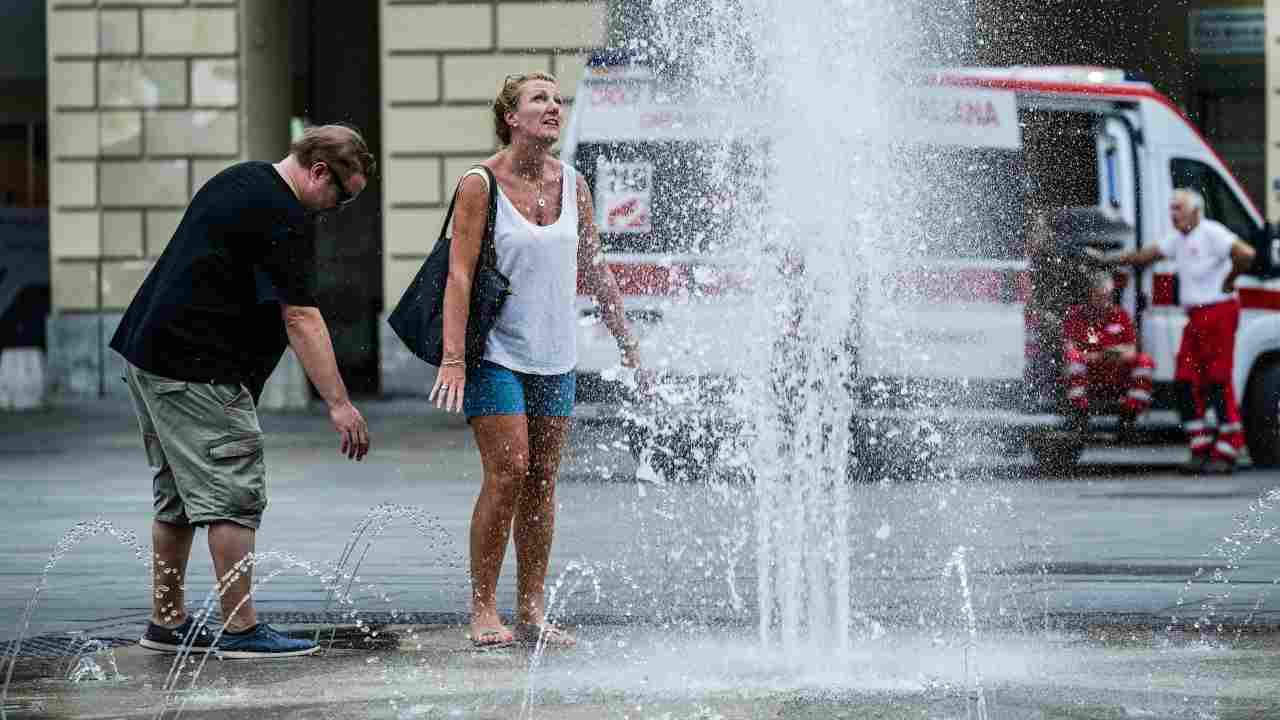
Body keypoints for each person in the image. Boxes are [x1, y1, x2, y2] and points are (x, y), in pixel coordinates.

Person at [110, 124, 375, 657]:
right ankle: (240, 628)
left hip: (152, 355)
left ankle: (166, 622)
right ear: (319, 171)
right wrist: (341, 404)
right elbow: (301, 316)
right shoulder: (283, 215)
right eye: (341, 197)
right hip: (198, 370)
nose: (335, 209)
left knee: (178, 499)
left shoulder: (242, 178)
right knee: (235, 495)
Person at [433, 72, 645, 648]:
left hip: (556, 356)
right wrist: (453, 359)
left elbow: (595, 266)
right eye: (539, 100)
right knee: (508, 473)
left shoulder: (573, 182)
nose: (554, 107)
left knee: (543, 481)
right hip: (496, 354)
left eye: (557, 100)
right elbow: (458, 275)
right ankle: (483, 609)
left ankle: (530, 611)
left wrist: (626, 340)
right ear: (511, 117)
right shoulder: (481, 184)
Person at [1089, 188, 1256, 474]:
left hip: (1218, 312)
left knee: (1217, 380)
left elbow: (1246, 253)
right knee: (1184, 380)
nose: (1173, 213)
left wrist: (1230, 280)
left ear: (1195, 211)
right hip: (1195, 316)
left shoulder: (1211, 232)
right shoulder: (1178, 240)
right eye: (1171, 208)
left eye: (1178, 208)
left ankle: (1229, 448)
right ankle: (1200, 445)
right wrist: (1107, 261)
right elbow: (1146, 256)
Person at [1060, 271, 1156, 435]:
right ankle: (1079, 415)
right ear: (1091, 295)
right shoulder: (1075, 315)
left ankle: (1129, 417)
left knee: (1145, 362)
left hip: (1115, 372)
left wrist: (1115, 353)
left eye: (1108, 297)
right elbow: (1070, 349)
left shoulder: (1121, 315)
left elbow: (1131, 350)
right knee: (1073, 360)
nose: (1105, 302)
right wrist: (1096, 356)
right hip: (1088, 373)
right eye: (1100, 297)